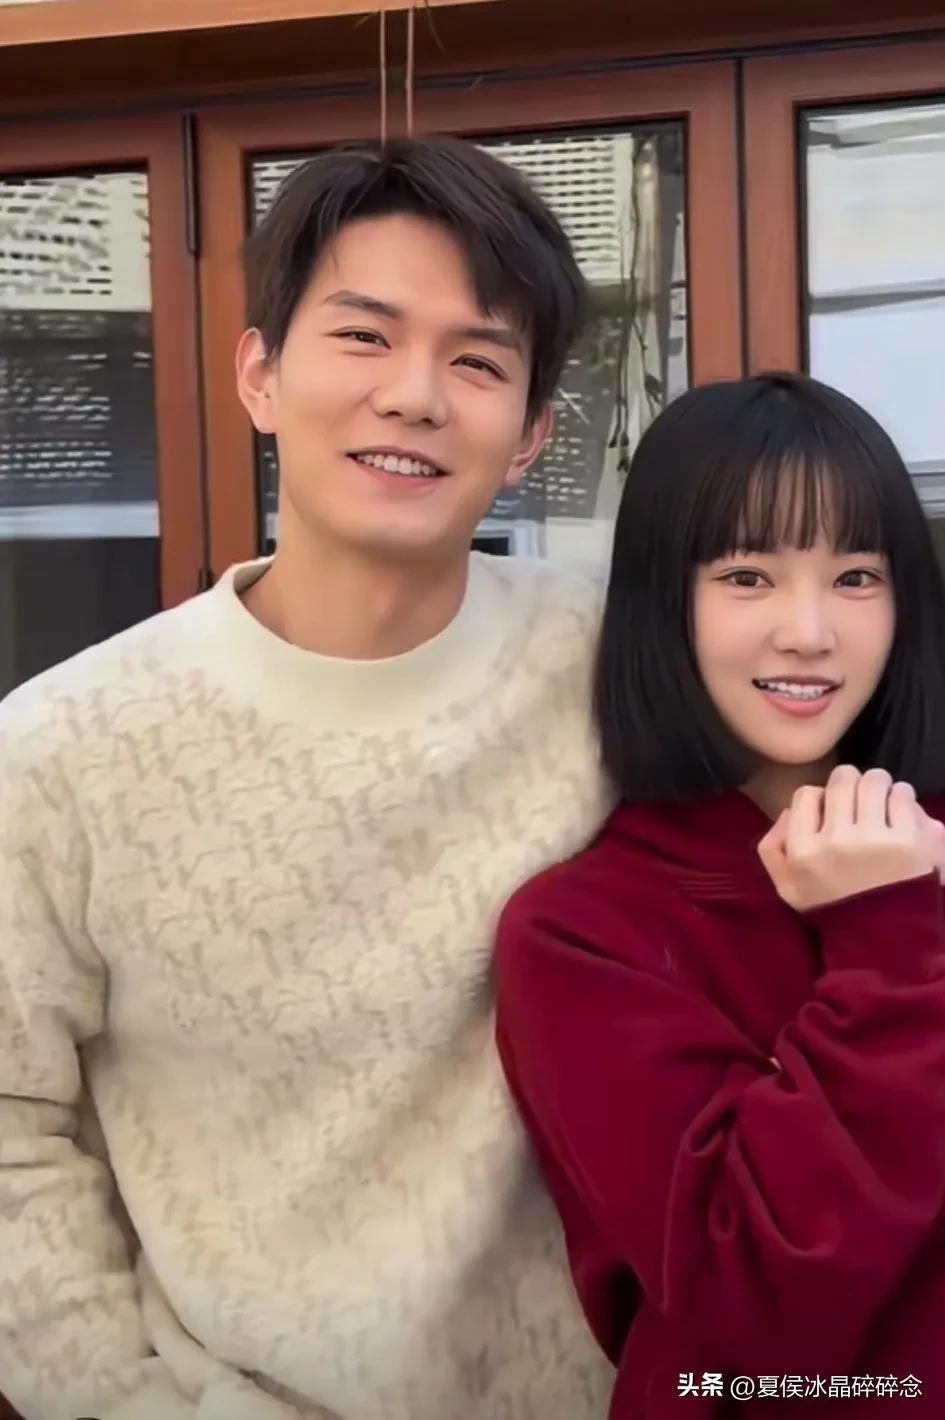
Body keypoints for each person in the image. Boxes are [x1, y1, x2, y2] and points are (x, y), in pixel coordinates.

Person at [0, 138, 616, 1420]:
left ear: (529, 438)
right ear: (261, 376)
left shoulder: (616, 673)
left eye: (477, 361)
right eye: (364, 336)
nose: (414, 396)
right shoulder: (64, 749)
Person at [495, 372, 945, 1418]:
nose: (808, 631)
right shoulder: (585, 932)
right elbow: (755, 1309)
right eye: (747, 576)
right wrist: (888, 939)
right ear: (663, 601)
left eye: (856, 575)